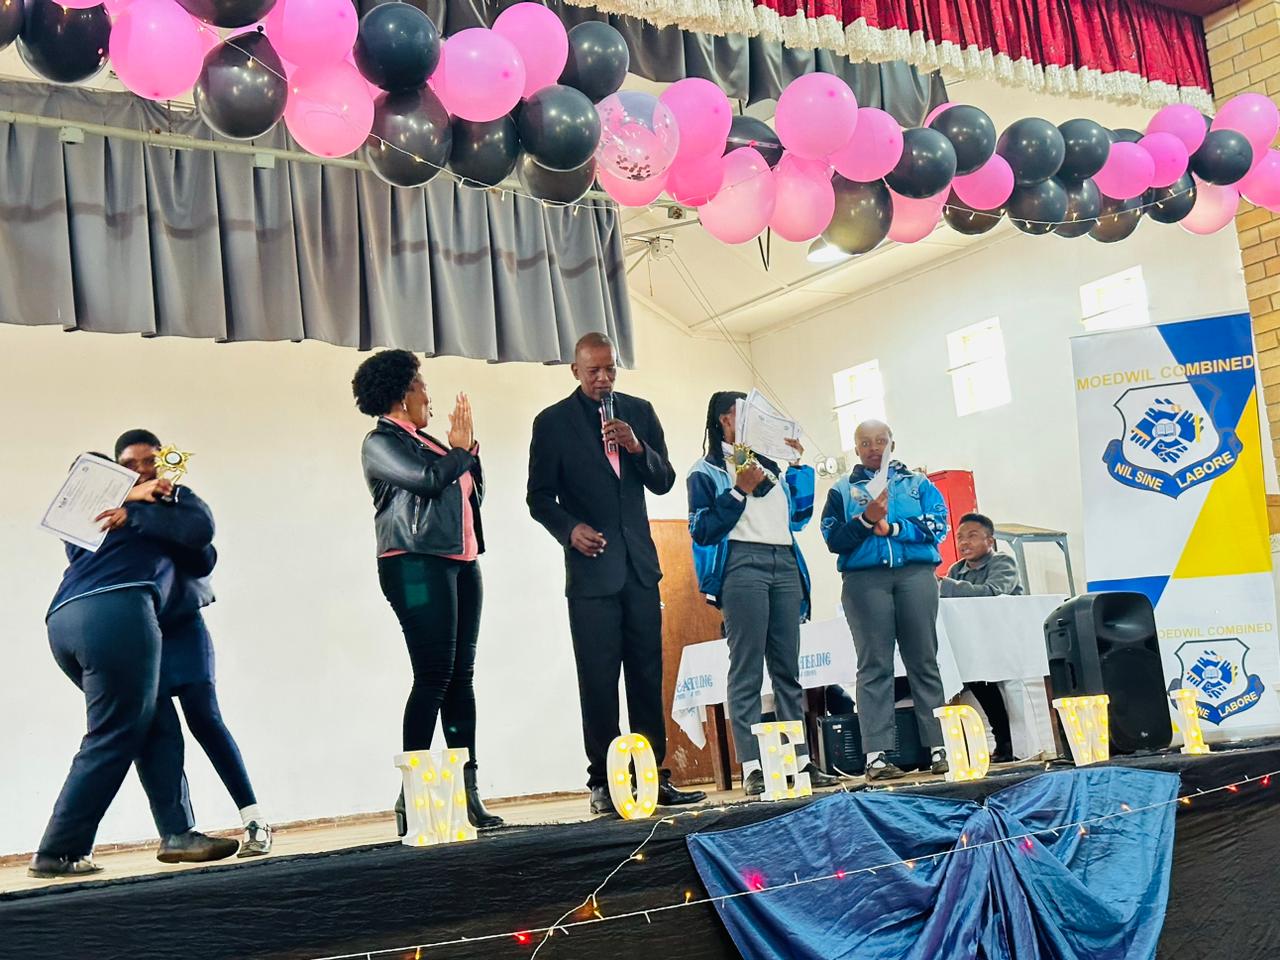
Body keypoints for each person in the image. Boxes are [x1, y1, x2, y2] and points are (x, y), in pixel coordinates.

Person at [31, 454, 239, 878]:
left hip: (65, 619)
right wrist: (139, 501)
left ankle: (178, 834)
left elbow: (200, 547)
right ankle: (58, 851)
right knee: (113, 733)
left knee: (155, 720)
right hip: (117, 611)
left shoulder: (113, 522)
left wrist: (144, 506)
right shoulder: (114, 516)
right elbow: (199, 537)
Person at [527, 332, 706, 815]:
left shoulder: (639, 412)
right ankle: (605, 783)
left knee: (647, 674)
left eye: (610, 369)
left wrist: (637, 447)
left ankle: (653, 776)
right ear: (575, 371)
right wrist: (570, 530)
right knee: (599, 679)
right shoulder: (552, 423)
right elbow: (538, 497)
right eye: (594, 371)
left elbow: (664, 480)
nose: (604, 379)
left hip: (640, 568)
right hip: (590, 573)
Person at [354, 349, 502, 832]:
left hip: (460, 562)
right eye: (422, 387)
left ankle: (467, 792)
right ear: (403, 394)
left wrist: (467, 450)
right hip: (414, 566)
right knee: (433, 676)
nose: (429, 397)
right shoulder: (380, 442)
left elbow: (471, 490)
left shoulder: (431, 442)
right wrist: (460, 451)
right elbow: (428, 481)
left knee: (461, 678)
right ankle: (412, 795)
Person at [114, 430, 272, 856]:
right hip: (139, 634)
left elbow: (201, 544)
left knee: (206, 718)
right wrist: (135, 513)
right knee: (158, 730)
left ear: (164, 461)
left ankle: (255, 820)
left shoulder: (179, 499)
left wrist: (142, 514)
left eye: (149, 461)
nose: (141, 471)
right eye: (129, 466)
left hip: (184, 626)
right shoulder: (107, 511)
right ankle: (177, 833)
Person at [687, 391, 840, 796]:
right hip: (741, 564)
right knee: (747, 670)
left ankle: (800, 761)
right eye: (746, 414)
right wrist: (738, 491)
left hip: (784, 560)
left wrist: (797, 465)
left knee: (788, 669)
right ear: (725, 420)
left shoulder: (771, 466)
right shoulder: (706, 470)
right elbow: (702, 530)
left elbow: (799, 517)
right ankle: (754, 766)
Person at [820, 420, 950, 782]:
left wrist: (895, 528)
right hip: (865, 581)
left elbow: (939, 525)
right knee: (874, 665)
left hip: (915, 575)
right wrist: (865, 521)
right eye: (866, 443)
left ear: (893, 443)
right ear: (856, 449)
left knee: (924, 660)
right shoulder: (842, 490)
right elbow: (833, 539)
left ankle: (939, 747)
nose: (874, 448)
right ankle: (876, 756)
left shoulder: (917, 483)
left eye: (881, 441)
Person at [939, 512, 1023, 763]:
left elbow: (992, 593)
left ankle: (1005, 742)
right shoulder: (956, 570)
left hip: (1004, 640)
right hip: (973, 641)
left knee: (979, 676)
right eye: (960, 537)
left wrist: (945, 585)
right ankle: (955, 748)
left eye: (972, 536)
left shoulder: (1003, 563)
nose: (964, 542)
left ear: (990, 540)